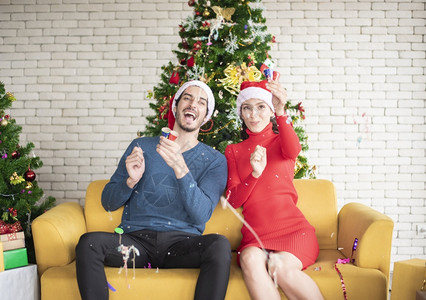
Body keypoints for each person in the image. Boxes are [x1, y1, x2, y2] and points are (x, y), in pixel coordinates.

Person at [75, 80, 231, 300]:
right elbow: (108, 202)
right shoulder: (142, 146)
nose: (193, 104)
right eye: (187, 98)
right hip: (135, 243)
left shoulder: (214, 161)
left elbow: (202, 214)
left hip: (182, 244)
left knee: (219, 245)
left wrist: (180, 167)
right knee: (88, 242)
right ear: (175, 106)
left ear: (206, 116)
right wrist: (130, 180)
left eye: (201, 102)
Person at [224, 77, 324, 300]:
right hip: (255, 237)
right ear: (241, 113)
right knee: (250, 259)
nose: (253, 114)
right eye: (247, 108)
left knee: (281, 269)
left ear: (270, 111)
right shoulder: (234, 151)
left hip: (293, 232)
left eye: (261, 107)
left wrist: (282, 110)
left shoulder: (281, 142)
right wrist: (255, 174)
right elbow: (232, 200)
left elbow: (294, 149)